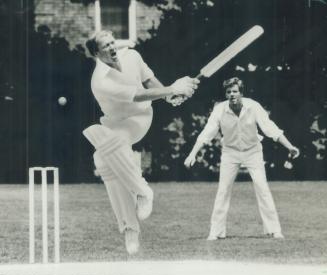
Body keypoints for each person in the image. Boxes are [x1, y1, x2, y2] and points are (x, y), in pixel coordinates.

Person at [83, 30, 199, 254]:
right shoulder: (99, 81)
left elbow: (148, 80)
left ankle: (143, 192)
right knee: (102, 159)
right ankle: (130, 229)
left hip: (140, 119)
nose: (112, 47)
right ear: (97, 53)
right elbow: (137, 94)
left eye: (112, 42)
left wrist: (169, 95)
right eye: (105, 46)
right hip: (115, 123)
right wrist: (173, 88)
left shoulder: (132, 56)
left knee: (109, 146)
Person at [184, 77, 299, 240]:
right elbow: (207, 133)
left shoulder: (253, 106)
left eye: (235, 91)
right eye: (228, 92)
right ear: (225, 94)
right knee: (223, 190)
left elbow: (270, 128)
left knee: (262, 188)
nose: (232, 94)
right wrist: (192, 154)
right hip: (230, 153)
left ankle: (274, 230)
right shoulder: (220, 109)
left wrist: (290, 146)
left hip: (253, 151)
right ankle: (216, 232)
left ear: (241, 93)